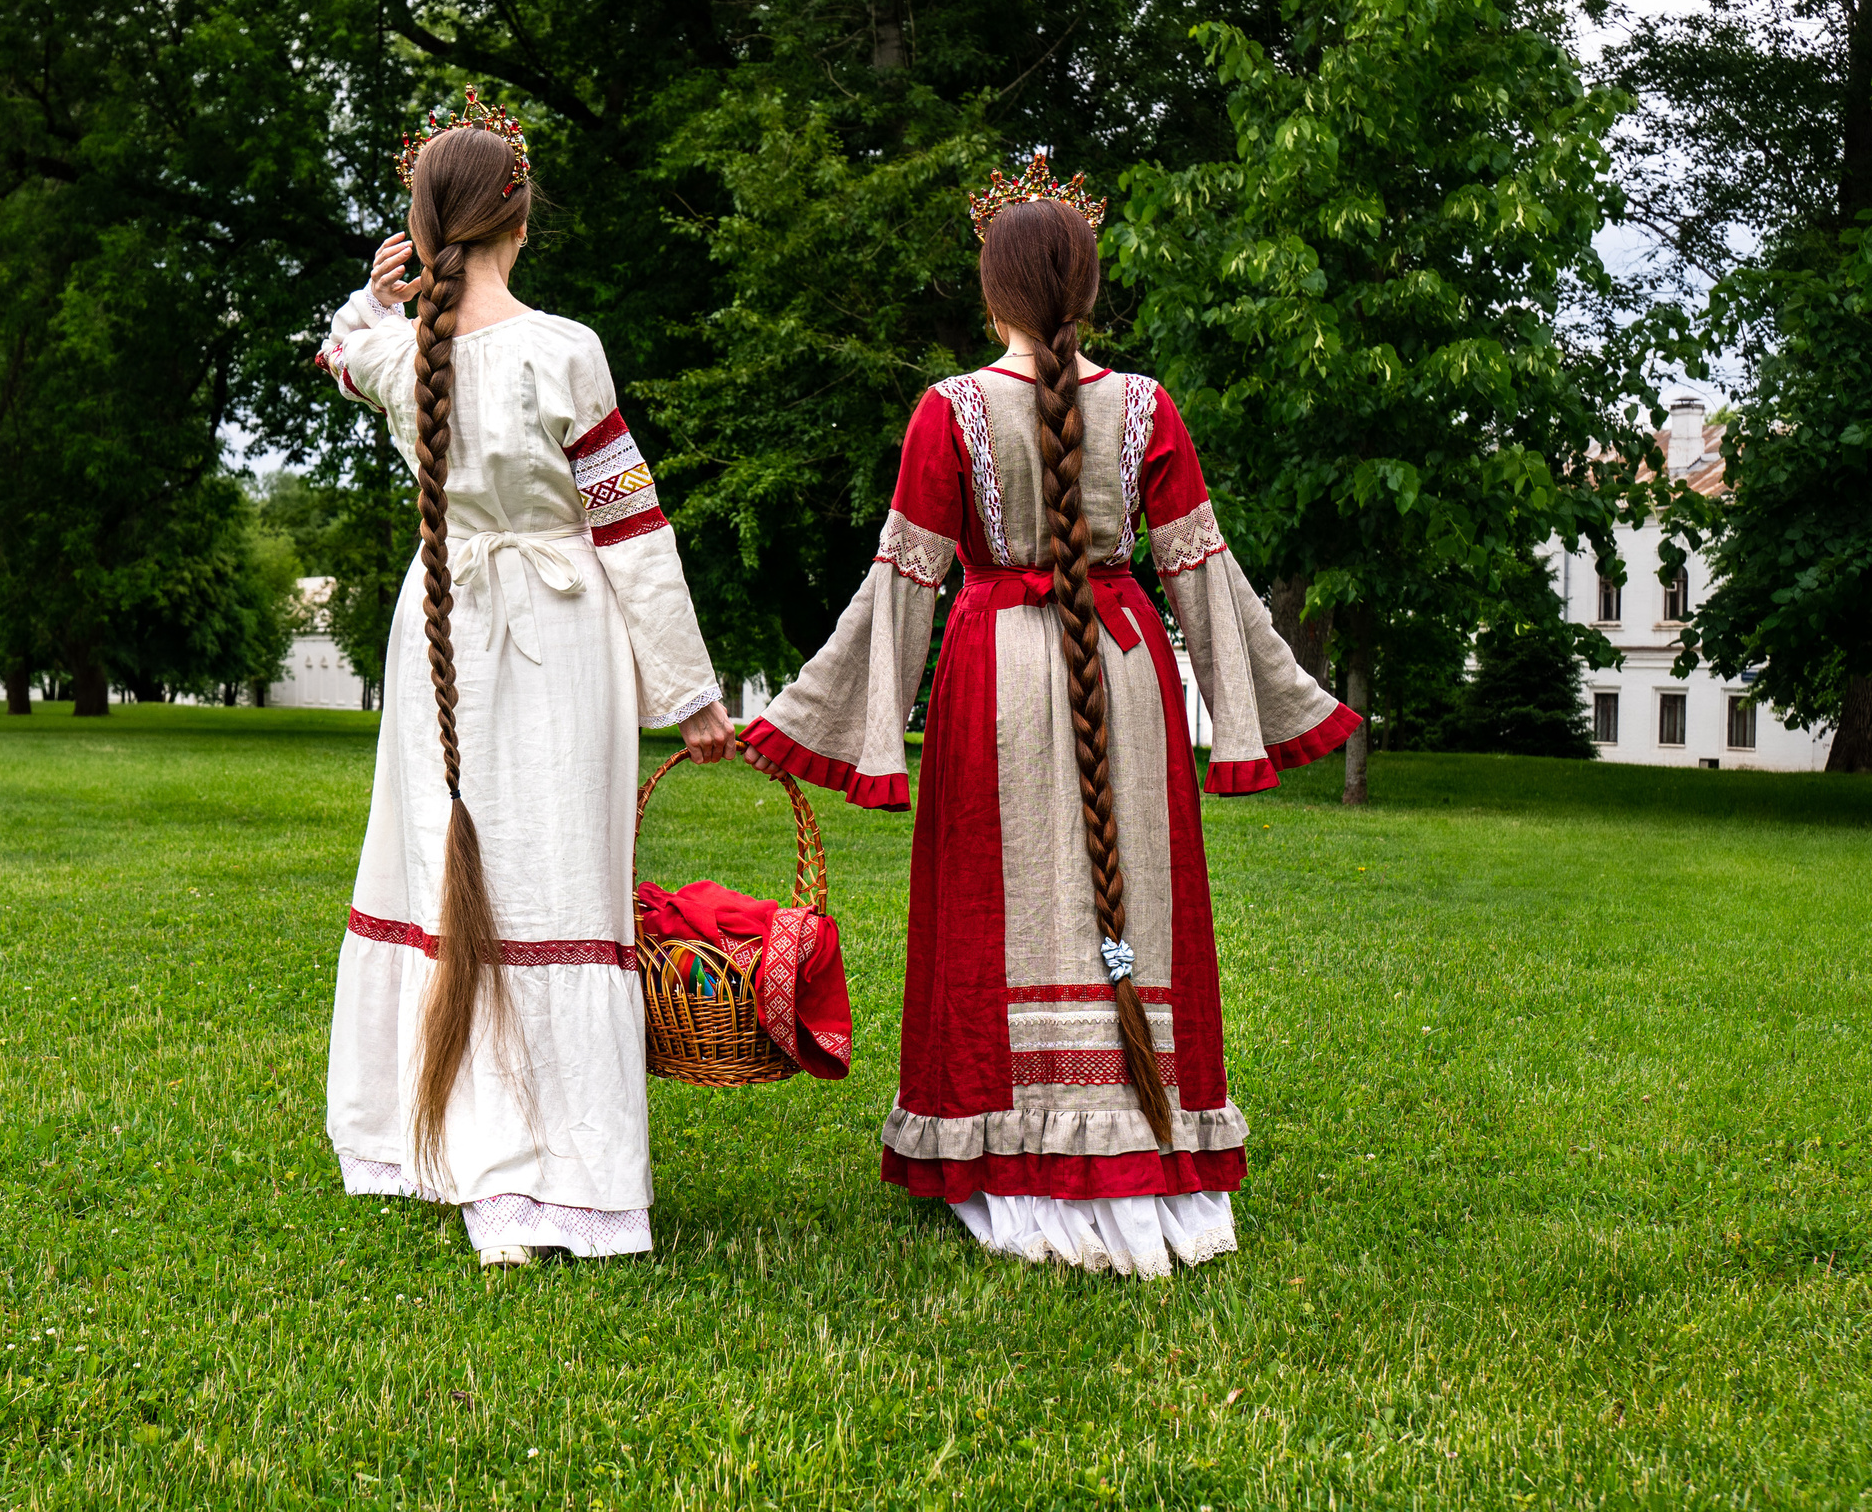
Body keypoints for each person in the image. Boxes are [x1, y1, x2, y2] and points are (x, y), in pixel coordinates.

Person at [740, 156, 1358, 1278]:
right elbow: (1203, 575)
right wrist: (1260, 709)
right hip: (1126, 676)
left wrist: (825, 718)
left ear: (992, 294)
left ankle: (1006, 1141)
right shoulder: (1150, 406)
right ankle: (1142, 1132)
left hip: (996, 683)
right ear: (1087, 289)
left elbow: (903, 582)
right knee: (1139, 901)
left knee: (993, 902)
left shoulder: (951, 411)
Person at [319, 90, 734, 1268]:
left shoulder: (405, 355)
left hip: (441, 619)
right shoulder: (565, 352)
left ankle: (444, 1135)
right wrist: (693, 695)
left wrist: (374, 292)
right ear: (522, 217)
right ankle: (562, 1173)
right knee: (554, 878)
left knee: (445, 864)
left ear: (425, 224)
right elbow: (634, 532)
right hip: (558, 635)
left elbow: (344, 351)